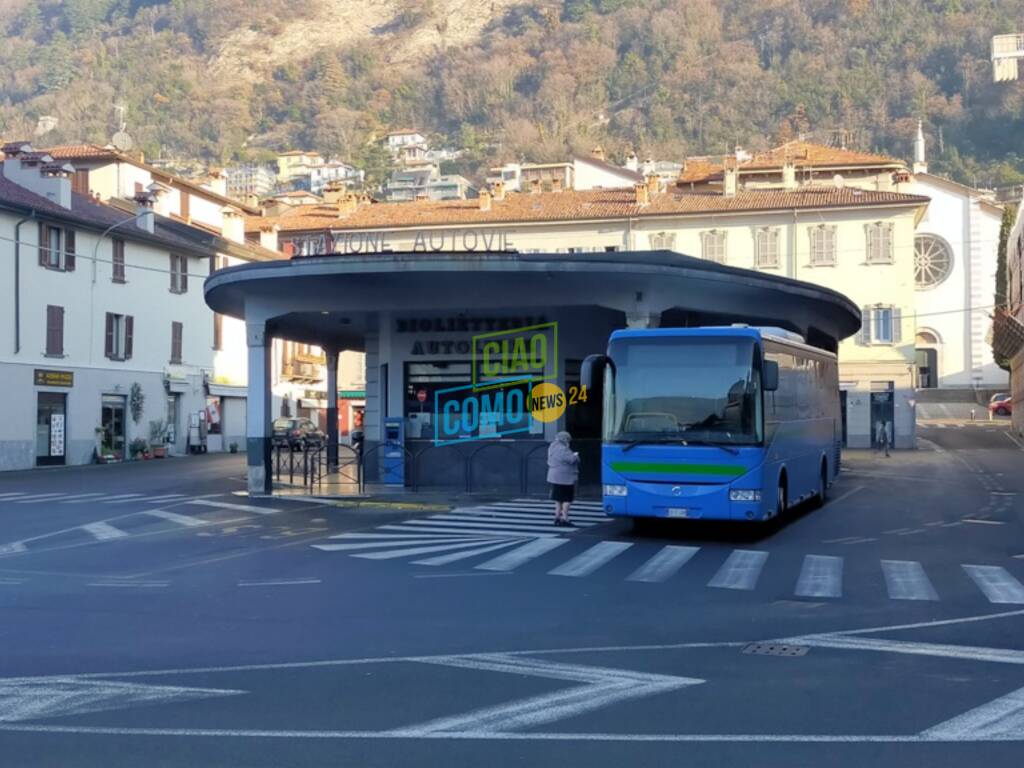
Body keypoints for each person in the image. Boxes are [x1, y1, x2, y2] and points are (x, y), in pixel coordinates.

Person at [547, 431, 580, 527]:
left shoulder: (552, 447)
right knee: (567, 499)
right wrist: (575, 456)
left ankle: (557, 517)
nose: (569, 441)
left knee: (558, 499)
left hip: (554, 477)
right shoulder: (562, 449)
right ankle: (564, 518)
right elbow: (571, 460)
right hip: (565, 478)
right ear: (565, 439)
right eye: (568, 439)